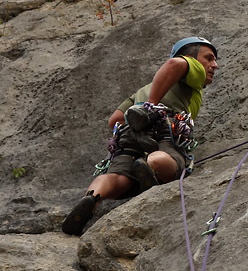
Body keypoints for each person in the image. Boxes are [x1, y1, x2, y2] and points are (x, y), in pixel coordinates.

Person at [62, 36, 219, 236]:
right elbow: (174, 63)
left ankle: (93, 198)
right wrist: (151, 107)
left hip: (129, 132)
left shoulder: (145, 89)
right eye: (209, 58)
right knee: (173, 157)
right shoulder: (192, 72)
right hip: (166, 123)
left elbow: (115, 120)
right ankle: (149, 165)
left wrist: (140, 117)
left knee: (120, 177)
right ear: (191, 57)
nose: (214, 65)